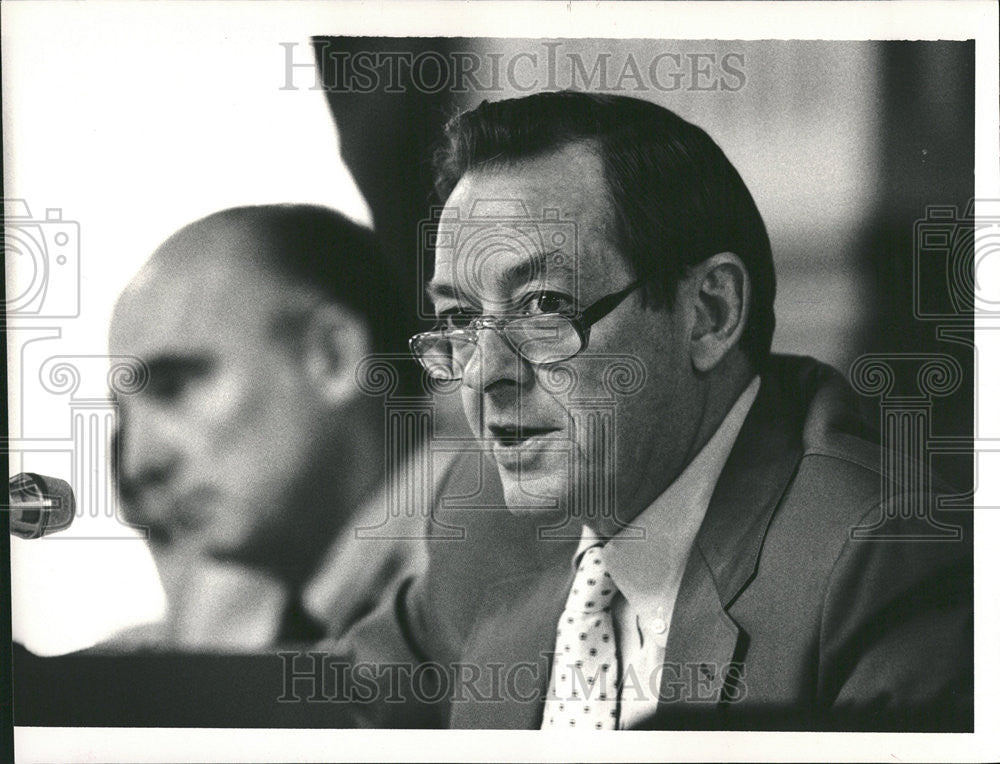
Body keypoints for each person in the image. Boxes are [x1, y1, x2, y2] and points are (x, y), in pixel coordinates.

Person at [336, 91, 972, 730]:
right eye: (459, 318)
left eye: (545, 306)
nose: (486, 374)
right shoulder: (488, 520)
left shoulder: (878, 555)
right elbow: (328, 716)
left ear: (709, 314)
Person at [106, 204, 429, 650]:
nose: (137, 463)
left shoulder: (494, 581)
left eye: (174, 386)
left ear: (333, 355)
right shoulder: (280, 598)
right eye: (122, 415)